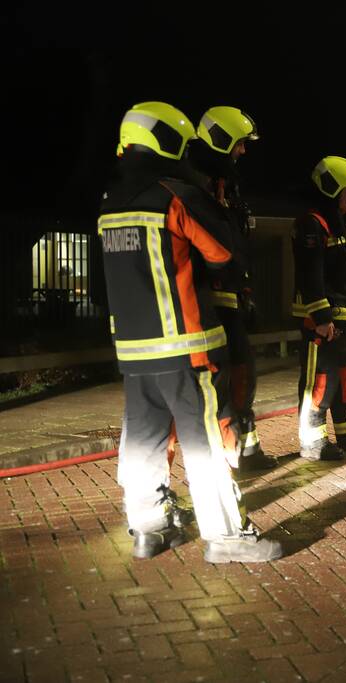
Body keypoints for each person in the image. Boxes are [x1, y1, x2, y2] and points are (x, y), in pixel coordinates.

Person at [99, 101, 282, 563]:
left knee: (143, 440)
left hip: (134, 355)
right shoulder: (175, 195)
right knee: (203, 442)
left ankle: (148, 529)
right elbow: (223, 254)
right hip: (186, 346)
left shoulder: (110, 204)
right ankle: (227, 537)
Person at [189, 106, 277, 471]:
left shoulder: (225, 183)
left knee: (244, 371)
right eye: (239, 144)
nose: (243, 151)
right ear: (222, 140)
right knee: (219, 381)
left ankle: (247, 448)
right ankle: (225, 457)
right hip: (206, 301)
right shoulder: (194, 184)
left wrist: (245, 291)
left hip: (231, 296)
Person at [292, 156, 346, 460]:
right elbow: (310, 273)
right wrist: (321, 317)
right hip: (319, 319)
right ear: (331, 189)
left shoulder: (337, 223)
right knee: (320, 379)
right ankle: (313, 441)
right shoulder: (312, 224)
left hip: (338, 315)